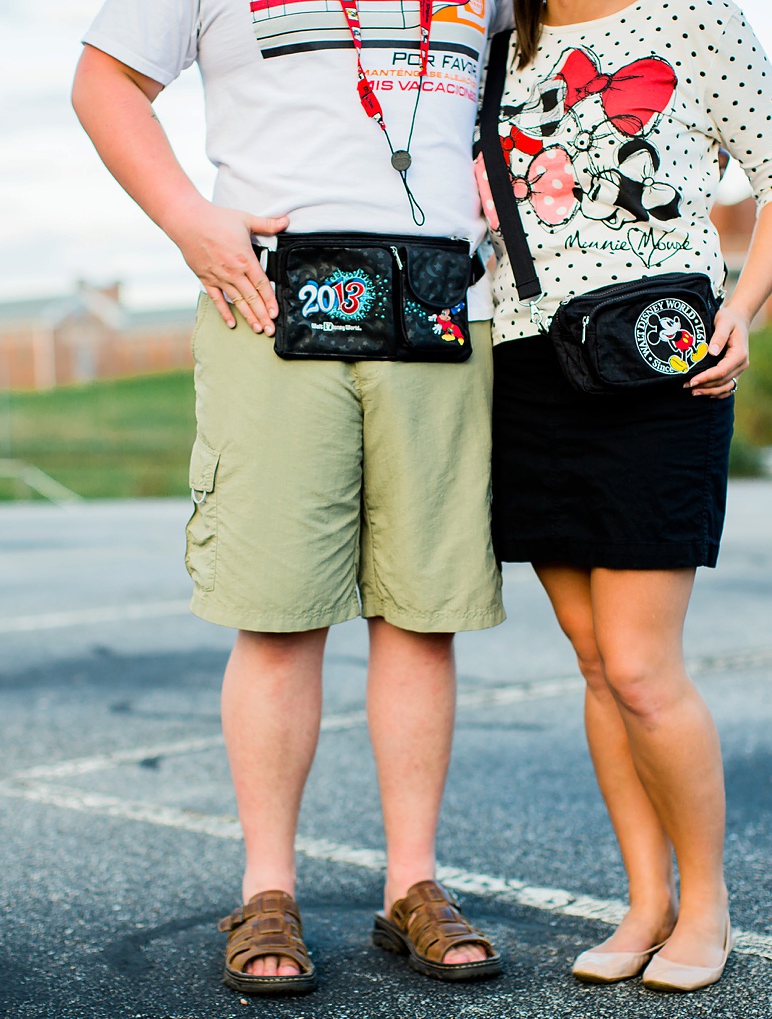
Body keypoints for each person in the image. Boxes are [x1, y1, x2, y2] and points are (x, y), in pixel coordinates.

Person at [71, 0, 512, 997]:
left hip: (444, 302)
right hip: (269, 297)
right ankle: (266, 888)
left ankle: (413, 885)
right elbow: (103, 82)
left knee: (421, 609)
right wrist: (189, 219)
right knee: (276, 612)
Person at [479, 0, 772, 993]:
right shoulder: (503, 39)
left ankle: (704, 902)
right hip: (526, 370)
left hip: (656, 361)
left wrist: (741, 308)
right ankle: (644, 900)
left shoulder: (693, 15)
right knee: (593, 663)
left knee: (639, 665)